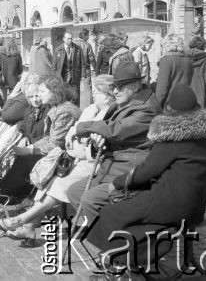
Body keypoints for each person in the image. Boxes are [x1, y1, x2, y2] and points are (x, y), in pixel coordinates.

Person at [87, 84, 206, 277]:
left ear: (170, 109)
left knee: (111, 212)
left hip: (169, 202)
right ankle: (129, 259)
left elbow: (147, 171)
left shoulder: (172, 135)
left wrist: (118, 182)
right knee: (129, 212)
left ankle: (124, 262)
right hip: (194, 205)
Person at [0, 75, 116, 244]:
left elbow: (62, 142)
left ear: (106, 95)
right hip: (71, 156)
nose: (38, 95)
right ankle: (28, 226)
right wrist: (30, 148)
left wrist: (29, 150)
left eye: (96, 92)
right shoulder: (89, 109)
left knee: (47, 174)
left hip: (88, 161)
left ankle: (22, 219)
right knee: (45, 173)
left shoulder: (69, 111)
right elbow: (69, 135)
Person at [66, 61, 162, 221]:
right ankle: (103, 229)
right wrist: (99, 139)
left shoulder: (146, 109)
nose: (115, 91)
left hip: (128, 171)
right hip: (111, 165)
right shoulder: (127, 103)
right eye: (114, 86)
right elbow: (109, 129)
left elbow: (116, 130)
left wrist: (79, 128)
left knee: (88, 199)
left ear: (136, 85)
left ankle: (111, 235)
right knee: (74, 191)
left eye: (121, 86)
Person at [155, 34, 193, 108]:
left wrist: (156, 107)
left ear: (167, 45)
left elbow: (162, 89)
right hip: (187, 103)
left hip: (170, 105)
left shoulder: (166, 61)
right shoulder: (188, 61)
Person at [52, 32, 84, 106]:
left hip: (75, 77)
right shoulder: (58, 50)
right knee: (64, 97)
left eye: (71, 38)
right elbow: (54, 66)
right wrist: (54, 78)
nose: (70, 40)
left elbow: (82, 63)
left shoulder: (77, 49)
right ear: (63, 39)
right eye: (68, 39)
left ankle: (76, 113)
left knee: (75, 97)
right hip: (62, 78)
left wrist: (82, 74)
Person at [187, 36, 206, 110]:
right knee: (200, 112)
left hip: (186, 84)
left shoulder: (184, 55)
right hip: (200, 86)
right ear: (203, 45)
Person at [76, 29, 97, 108]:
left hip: (75, 70)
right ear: (84, 35)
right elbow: (92, 59)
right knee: (87, 89)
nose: (88, 37)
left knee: (77, 88)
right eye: (88, 35)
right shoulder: (87, 45)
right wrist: (96, 69)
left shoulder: (73, 44)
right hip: (86, 70)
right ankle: (89, 107)